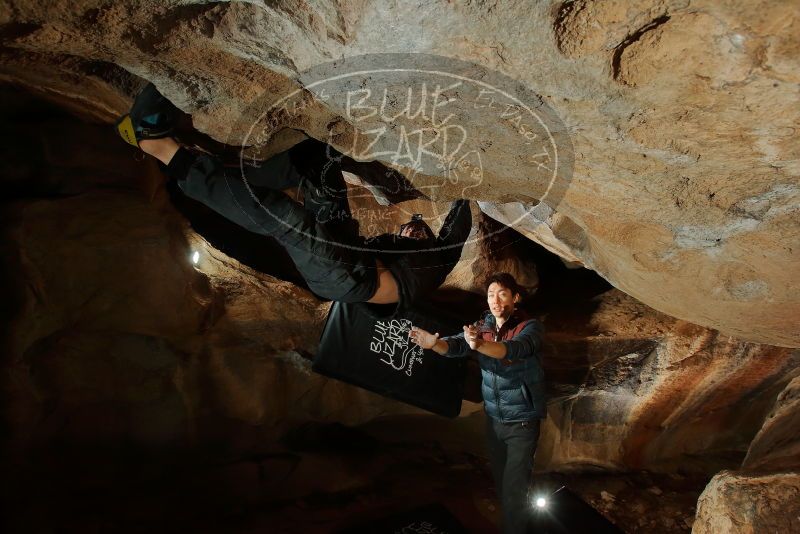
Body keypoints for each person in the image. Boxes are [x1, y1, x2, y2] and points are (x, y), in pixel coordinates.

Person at [117, 83, 472, 309]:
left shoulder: (435, 266)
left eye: (416, 233)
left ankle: (164, 151)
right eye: (416, 230)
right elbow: (448, 234)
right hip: (347, 249)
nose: (411, 231)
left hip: (347, 280)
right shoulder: (424, 256)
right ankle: (232, 169)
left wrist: (468, 192)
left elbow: (454, 233)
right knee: (320, 168)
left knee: (289, 221)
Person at [409, 272, 545, 534]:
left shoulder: (530, 327)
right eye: (491, 294)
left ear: (515, 297)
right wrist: (435, 344)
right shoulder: (483, 323)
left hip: (523, 420)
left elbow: (512, 350)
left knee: (514, 489)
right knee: (502, 483)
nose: (495, 300)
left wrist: (479, 345)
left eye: (502, 294)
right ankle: (515, 523)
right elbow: (459, 345)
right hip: (494, 419)